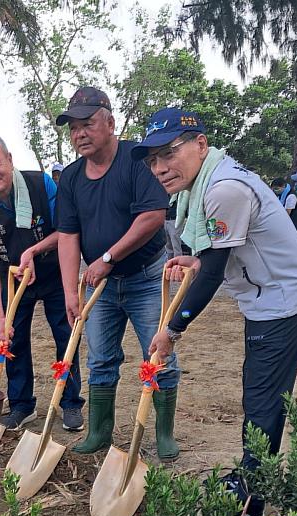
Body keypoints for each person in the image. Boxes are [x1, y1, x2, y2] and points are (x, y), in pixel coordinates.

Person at [133, 108, 297, 516]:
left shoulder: (225, 189)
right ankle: (253, 477)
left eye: (168, 153)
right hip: (266, 296)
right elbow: (214, 254)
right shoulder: (204, 182)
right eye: (152, 160)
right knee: (260, 393)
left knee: (262, 400)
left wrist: (171, 330)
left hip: (283, 299)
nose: (160, 168)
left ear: (200, 144)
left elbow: (214, 271)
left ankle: (252, 500)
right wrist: (194, 259)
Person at [54, 87, 181, 459]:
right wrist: (69, 293)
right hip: (101, 288)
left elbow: (153, 215)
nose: (80, 134)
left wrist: (108, 256)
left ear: (110, 122)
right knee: (100, 359)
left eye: (88, 124)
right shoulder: (73, 177)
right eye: (74, 128)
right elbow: (67, 235)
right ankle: (99, 432)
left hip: (145, 277)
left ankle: (164, 433)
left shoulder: (136, 160)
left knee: (158, 353)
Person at [0, 133, 85, 431]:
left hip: (55, 271)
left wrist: (35, 249)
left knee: (65, 335)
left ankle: (70, 402)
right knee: (12, 337)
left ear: (9, 159)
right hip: (15, 277)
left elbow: (67, 232)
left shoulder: (41, 184)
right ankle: (21, 405)